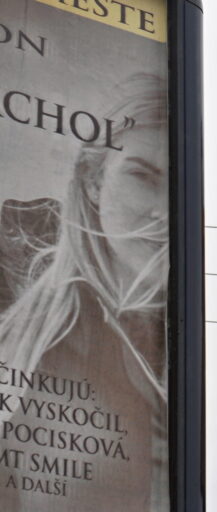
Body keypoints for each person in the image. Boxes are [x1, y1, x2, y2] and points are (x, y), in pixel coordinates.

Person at [0, 74, 170, 511]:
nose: (162, 211)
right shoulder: (60, 341)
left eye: (175, 186)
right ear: (93, 182)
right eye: (142, 176)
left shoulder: (169, 341)